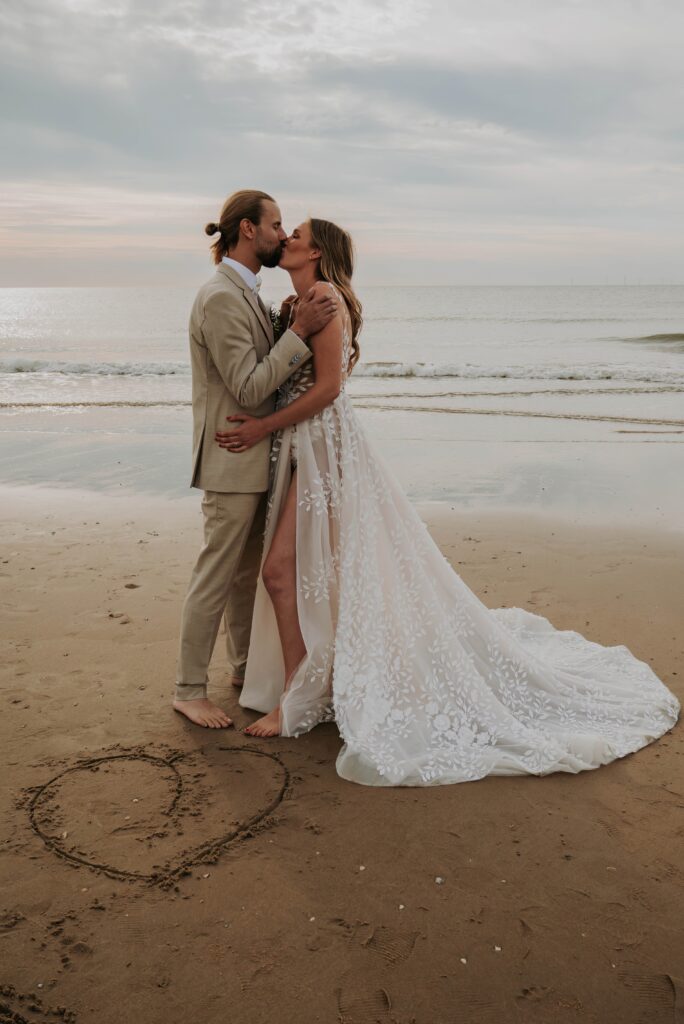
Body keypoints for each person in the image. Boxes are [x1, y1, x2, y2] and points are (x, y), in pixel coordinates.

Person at [215, 218, 680, 786]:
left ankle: (297, 697)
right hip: (298, 449)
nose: (285, 237)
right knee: (309, 573)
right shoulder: (292, 306)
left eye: (297, 233)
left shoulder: (326, 298)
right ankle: (312, 683)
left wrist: (264, 431)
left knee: (284, 573)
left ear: (317, 251)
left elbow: (330, 387)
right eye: (283, 230)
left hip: (325, 452)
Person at [174, 190, 336, 729]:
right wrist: (298, 333)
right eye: (275, 224)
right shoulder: (221, 296)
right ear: (248, 229)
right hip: (232, 454)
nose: (281, 234)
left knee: (245, 574)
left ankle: (243, 668)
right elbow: (247, 388)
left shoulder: (248, 292)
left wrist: (290, 325)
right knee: (217, 573)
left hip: (257, 455)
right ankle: (189, 688)